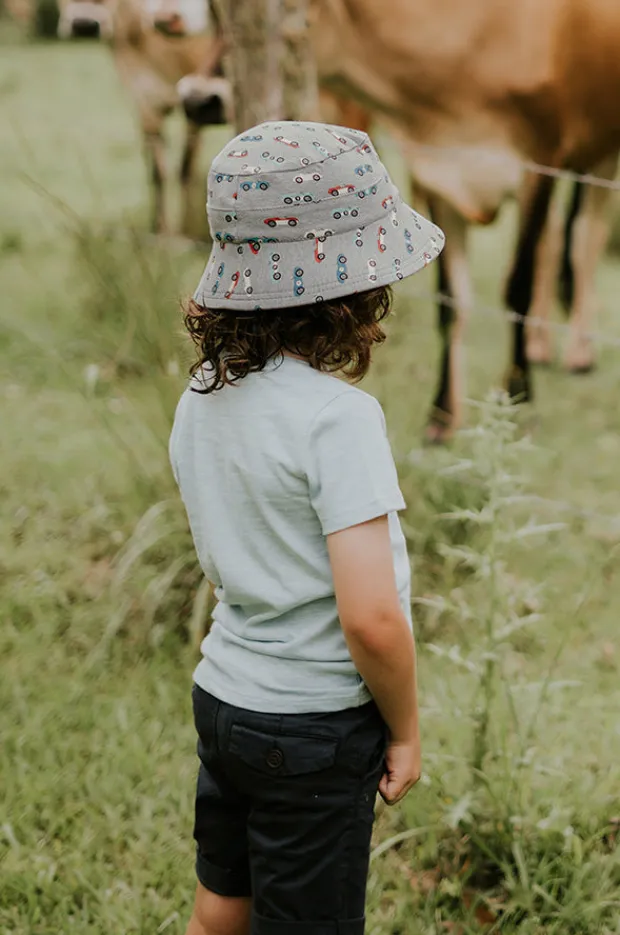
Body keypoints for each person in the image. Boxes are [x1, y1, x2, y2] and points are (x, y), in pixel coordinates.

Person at [169, 120, 445, 935]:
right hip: (314, 729)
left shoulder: (200, 395)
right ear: (357, 289)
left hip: (224, 697)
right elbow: (370, 616)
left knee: (225, 895)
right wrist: (406, 726)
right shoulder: (340, 419)